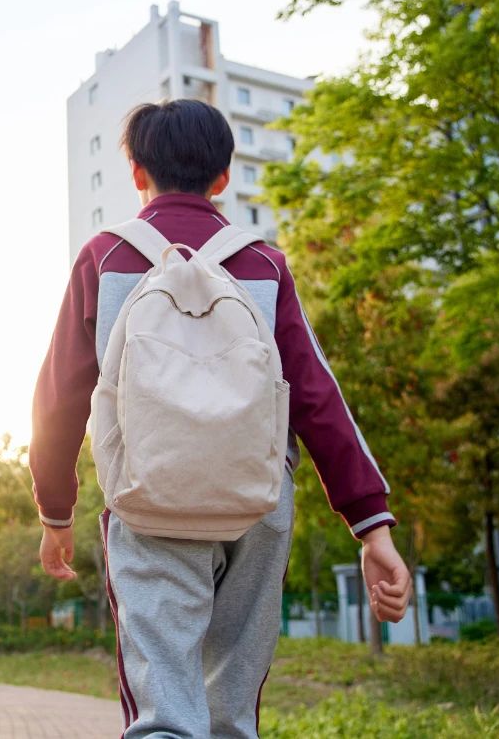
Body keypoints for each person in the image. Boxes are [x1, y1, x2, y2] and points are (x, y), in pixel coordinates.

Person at [29, 99, 410, 738]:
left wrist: (55, 513)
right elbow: (316, 394)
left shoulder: (105, 257)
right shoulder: (263, 263)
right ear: (224, 177)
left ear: (135, 171)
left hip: (149, 499)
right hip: (257, 501)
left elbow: (60, 395)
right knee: (232, 711)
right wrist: (372, 526)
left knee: (166, 712)